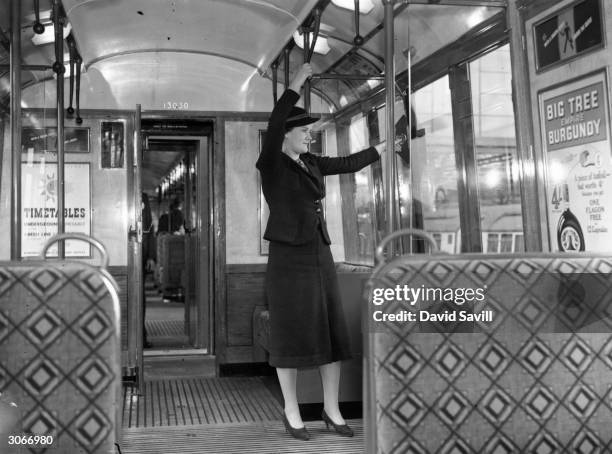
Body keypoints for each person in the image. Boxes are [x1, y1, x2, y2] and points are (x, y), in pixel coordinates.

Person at [256, 63, 382, 441]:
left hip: (318, 254)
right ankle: (292, 411)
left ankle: (331, 409)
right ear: (285, 136)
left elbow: (347, 163)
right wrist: (298, 80)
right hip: (288, 260)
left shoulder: (311, 163)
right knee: (291, 333)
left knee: (330, 332)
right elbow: (278, 117)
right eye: (304, 132)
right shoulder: (272, 164)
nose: (309, 137)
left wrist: (383, 148)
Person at [141, 193, 156, 348]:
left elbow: (150, 228)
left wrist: (151, 256)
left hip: (142, 254)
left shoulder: (143, 197)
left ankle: (141, 336)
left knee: (140, 297)